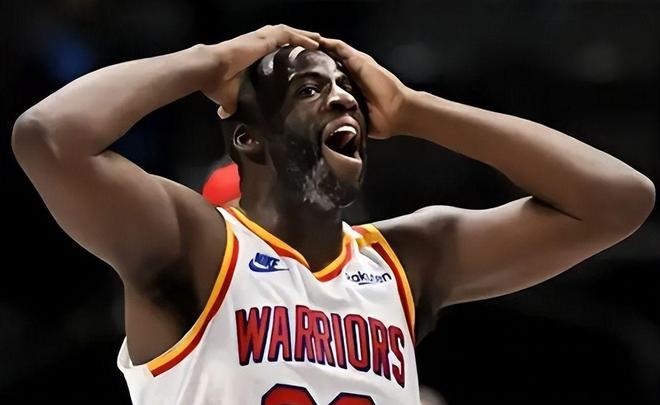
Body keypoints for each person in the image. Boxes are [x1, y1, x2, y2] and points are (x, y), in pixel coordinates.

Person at [11, 25, 654, 404]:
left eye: (349, 93)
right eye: (310, 89)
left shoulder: (405, 261)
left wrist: (415, 109)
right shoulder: (200, 247)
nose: (344, 100)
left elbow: (618, 201)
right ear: (248, 139)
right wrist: (211, 60)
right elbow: (48, 137)